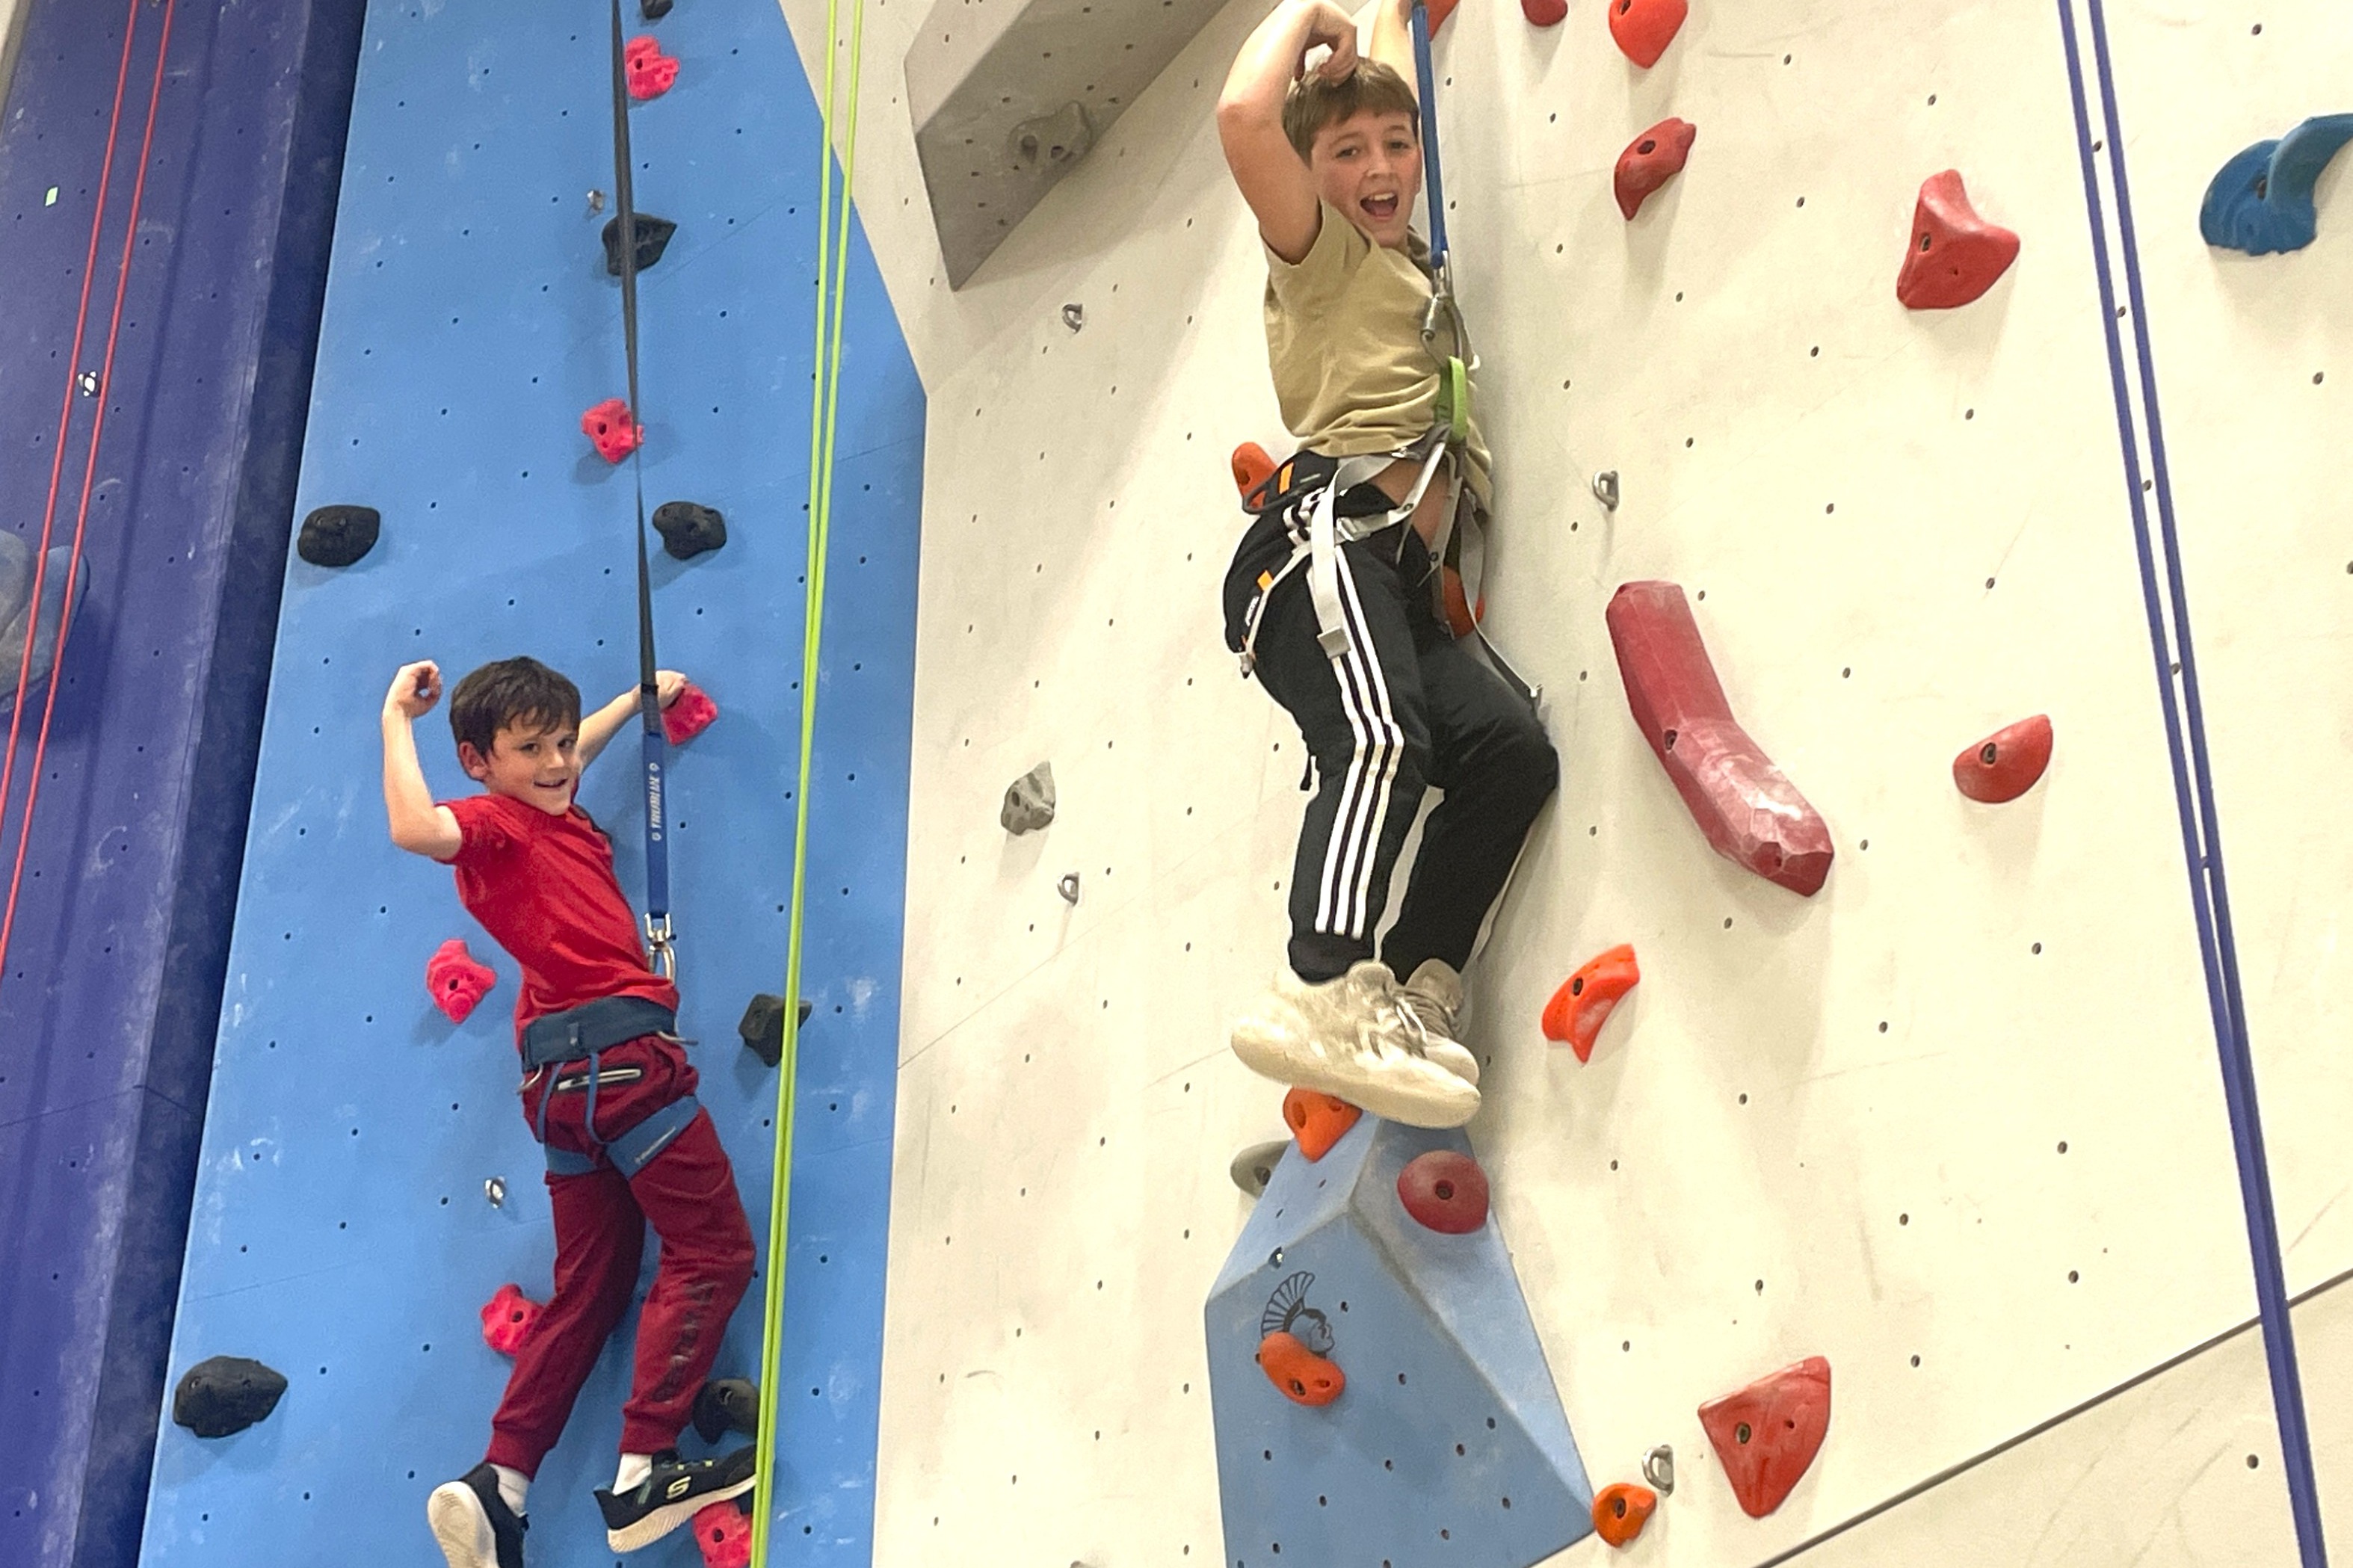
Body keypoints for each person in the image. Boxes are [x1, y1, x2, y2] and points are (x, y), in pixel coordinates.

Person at [1215, 0, 1558, 1129]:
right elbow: (1241, 116)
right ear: (1311, 179)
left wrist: (1357, 56)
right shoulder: (1325, 258)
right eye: (1347, 153)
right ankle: (1319, 980)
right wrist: (1303, 19)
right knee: (1376, 738)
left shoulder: (1408, 270)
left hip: (1394, 583)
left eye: (1397, 145)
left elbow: (1359, 100)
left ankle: (1413, 987)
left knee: (1509, 754)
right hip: (1321, 540)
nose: (1381, 167)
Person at [381, 655, 757, 1567]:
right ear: (477, 760)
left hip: (561, 1095)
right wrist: (397, 716)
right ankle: (643, 1467)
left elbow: (567, 754)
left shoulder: (548, 810)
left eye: (560, 743)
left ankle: (500, 1481)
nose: (555, 762)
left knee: (590, 1288)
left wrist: (631, 703)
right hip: (622, 1064)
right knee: (713, 1251)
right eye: (530, 750)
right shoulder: (495, 826)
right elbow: (411, 827)